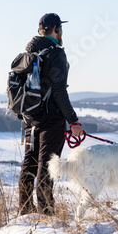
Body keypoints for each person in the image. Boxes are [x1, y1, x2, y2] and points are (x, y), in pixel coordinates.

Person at [18, 13, 84, 216]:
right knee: (47, 166)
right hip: (52, 119)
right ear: (55, 29)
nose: (62, 33)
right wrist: (73, 121)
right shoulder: (56, 54)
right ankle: (46, 213)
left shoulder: (29, 53)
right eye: (61, 29)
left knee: (29, 163)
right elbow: (59, 91)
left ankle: (25, 212)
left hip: (30, 119)